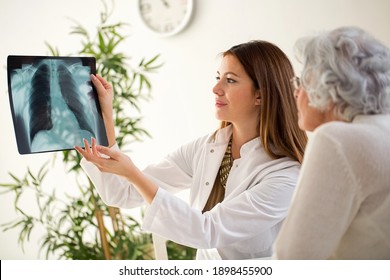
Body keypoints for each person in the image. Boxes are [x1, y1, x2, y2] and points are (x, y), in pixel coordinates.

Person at [75, 40, 308, 260]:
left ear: (260, 94)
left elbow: (207, 231)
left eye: (231, 80)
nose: (216, 88)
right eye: (218, 77)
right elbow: (121, 193)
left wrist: (133, 173)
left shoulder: (285, 176)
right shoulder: (206, 147)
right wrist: (103, 117)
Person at [273, 26, 390, 259]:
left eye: (300, 81)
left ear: (324, 85)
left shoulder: (337, 139)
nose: (296, 93)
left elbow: (293, 258)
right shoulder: (382, 130)